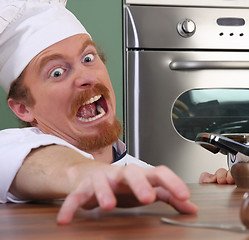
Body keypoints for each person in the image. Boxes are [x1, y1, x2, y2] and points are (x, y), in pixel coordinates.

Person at [0, 0, 233, 225]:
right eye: (57, 72)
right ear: (23, 108)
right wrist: (83, 173)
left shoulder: (143, 176)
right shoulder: (10, 153)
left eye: (88, 58)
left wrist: (206, 194)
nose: (85, 77)